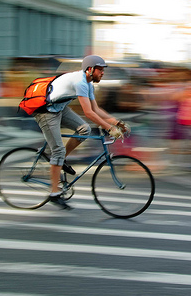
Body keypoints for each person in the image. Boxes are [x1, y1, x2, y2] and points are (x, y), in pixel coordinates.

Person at [33, 55, 129, 209]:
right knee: (57, 151)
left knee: (84, 129)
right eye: (100, 69)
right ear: (90, 70)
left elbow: (96, 109)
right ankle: (54, 193)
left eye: (103, 70)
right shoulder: (80, 82)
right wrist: (109, 128)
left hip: (60, 108)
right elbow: (89, 113)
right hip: (46, 111)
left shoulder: (89, 84)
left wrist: (117, 123)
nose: (103, 73)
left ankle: (60, 160)